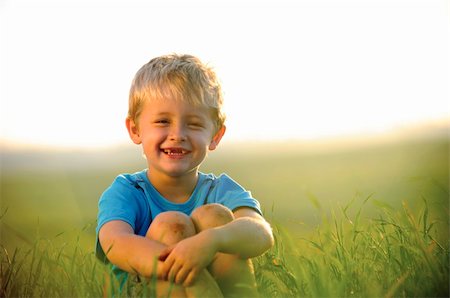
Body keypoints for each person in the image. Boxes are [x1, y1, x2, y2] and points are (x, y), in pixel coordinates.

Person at [96, 54, 274, 297]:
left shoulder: (221, 190)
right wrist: (183, 263)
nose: (177, 134)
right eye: (162, 121)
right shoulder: (127, 191)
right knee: (171, 225)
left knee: (217, 217)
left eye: (193, 124)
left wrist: (211, 241)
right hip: (145, 289)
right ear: (135, 129)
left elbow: (261, 233)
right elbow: (115, 244)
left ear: (215, 136)